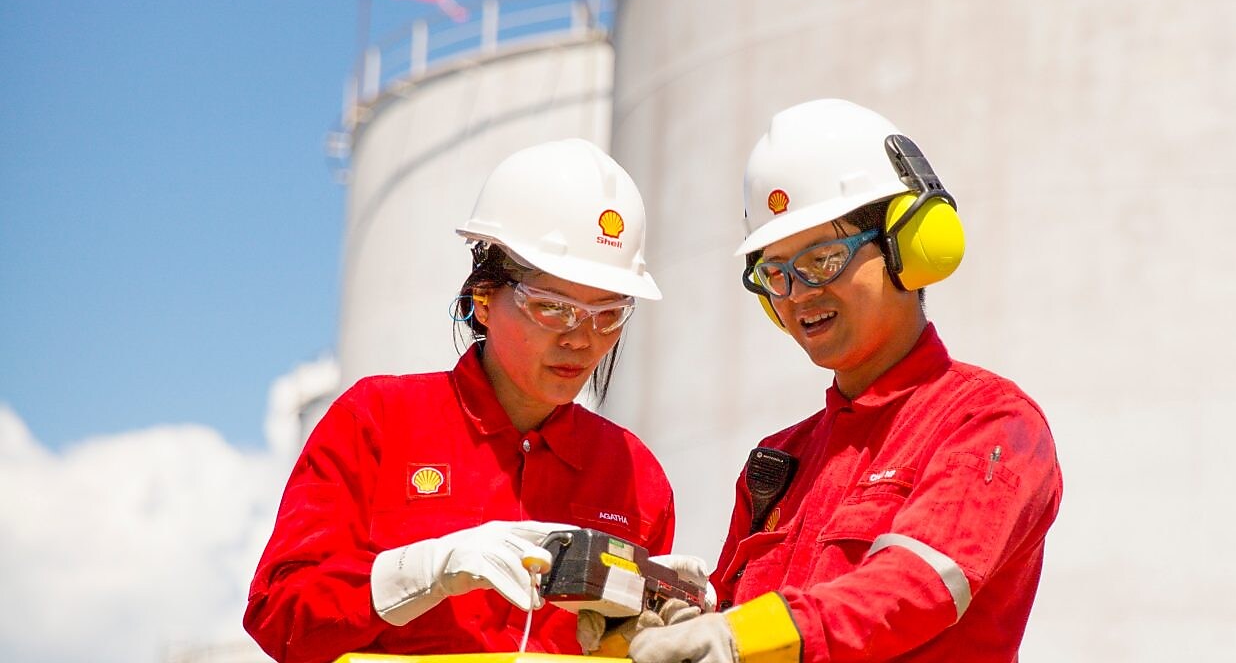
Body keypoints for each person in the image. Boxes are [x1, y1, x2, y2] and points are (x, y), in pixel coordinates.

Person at [624, 99, 1064, 663]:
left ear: (908, 246)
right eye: (775, 272)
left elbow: (911, 589)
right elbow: (740, 630)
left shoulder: (990, 424)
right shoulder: (780, 460)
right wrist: (687, 615)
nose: (798, 292)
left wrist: (740, 636)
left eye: (823, 259)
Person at [244, 138, 682, 662]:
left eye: (607, 314)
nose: (580, 338)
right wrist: (426, 572)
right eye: (552, 308)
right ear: (483, 298)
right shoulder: (378, 421)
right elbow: (279, 616)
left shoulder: (635, 475)